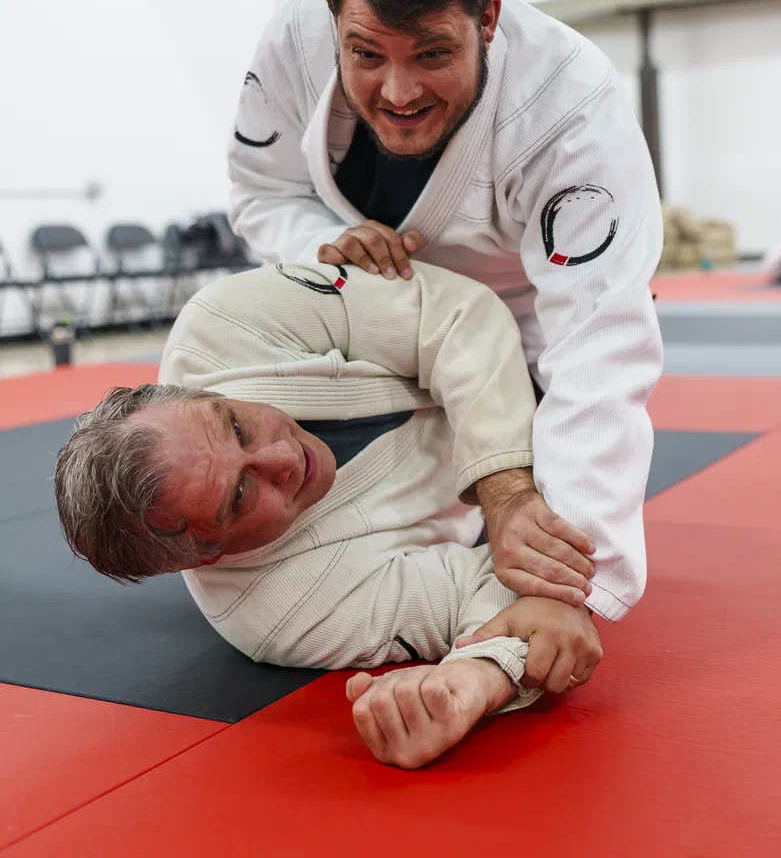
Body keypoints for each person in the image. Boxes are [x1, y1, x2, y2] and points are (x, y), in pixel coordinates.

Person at [227, 0, 664, 629]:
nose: (398, 90)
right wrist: (320, 246)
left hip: (522, 321)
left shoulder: (570, 106)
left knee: (516, 517)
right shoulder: (295, 42)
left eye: (432, 53)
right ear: (334, 21)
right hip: (364, 298)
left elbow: (601, 335)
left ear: (487, 19)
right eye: (365, 53)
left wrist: (570, 585)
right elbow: (259, 193)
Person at [55, 259, 603, 770]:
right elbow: (490, 593)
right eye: (241, 496)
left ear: (190, 394)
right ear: (210, 555)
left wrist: (504, 490)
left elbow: (461, 315)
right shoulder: (279, 613)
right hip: (572, 470)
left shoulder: (223, 326)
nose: (282, 458)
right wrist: (475, 676)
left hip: (538, 313)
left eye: (237, 426)